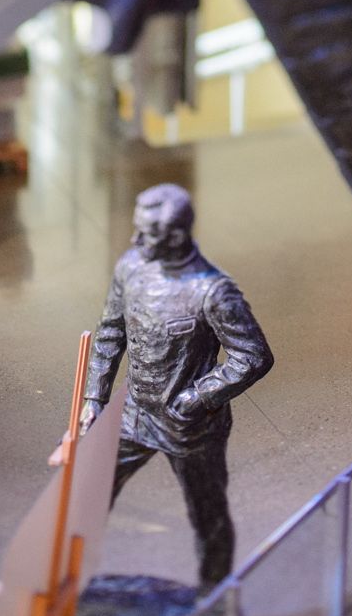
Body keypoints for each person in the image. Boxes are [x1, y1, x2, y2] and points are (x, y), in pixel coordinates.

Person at [50, 183, 273, 586]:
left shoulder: (213, 291)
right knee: (88, 493)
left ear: (174, 236)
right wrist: (94, 398)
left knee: (208, 516)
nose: (134, 239)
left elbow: (253, 356)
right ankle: (70, 588)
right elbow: (110, 333)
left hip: (191, 429)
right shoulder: (131, 268)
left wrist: (195, 399)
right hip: (133, 414)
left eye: (145, 233)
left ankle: (215, 599)